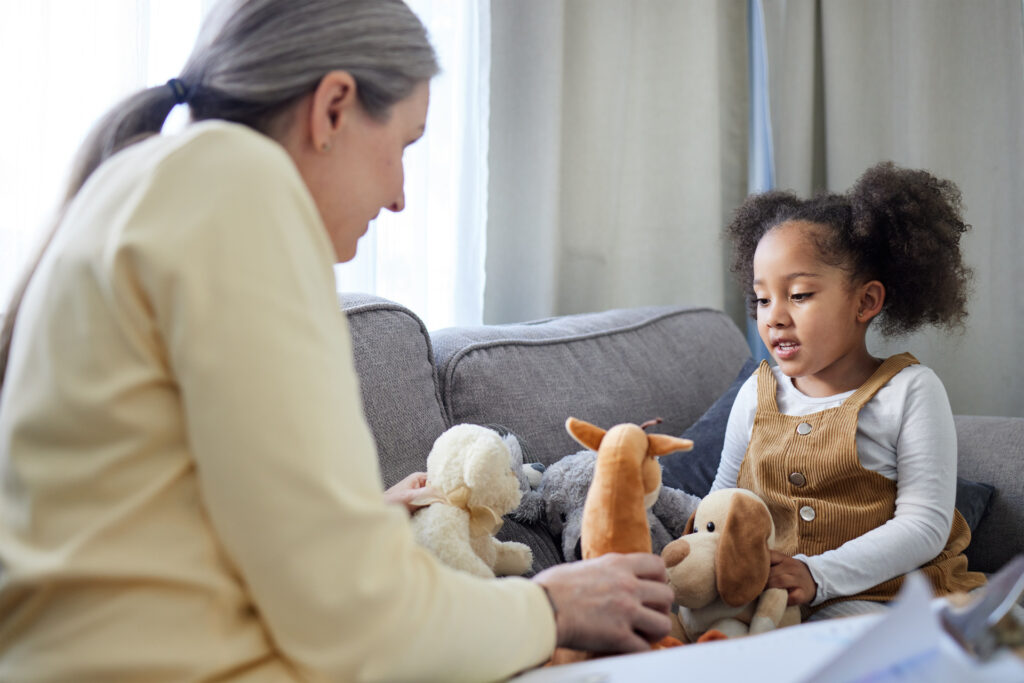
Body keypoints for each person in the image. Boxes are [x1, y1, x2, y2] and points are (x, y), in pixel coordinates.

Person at [0, 1, 674, 680]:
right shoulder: (240, 188)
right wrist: (547, 607)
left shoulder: (148, 186)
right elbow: (357, 619)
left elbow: (174, 527)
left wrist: (352, 521)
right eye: (404, 147)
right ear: (333, 108)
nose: (400, 196)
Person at [709, 162, 986, 622]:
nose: (773, 316)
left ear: (865, 302)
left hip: (897, 599)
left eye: (798, 295)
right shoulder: (754, 396)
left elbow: (924, 525)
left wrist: (817, 574)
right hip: (780, 601)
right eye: (762, 298)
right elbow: (724, 500)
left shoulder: (911, 391)